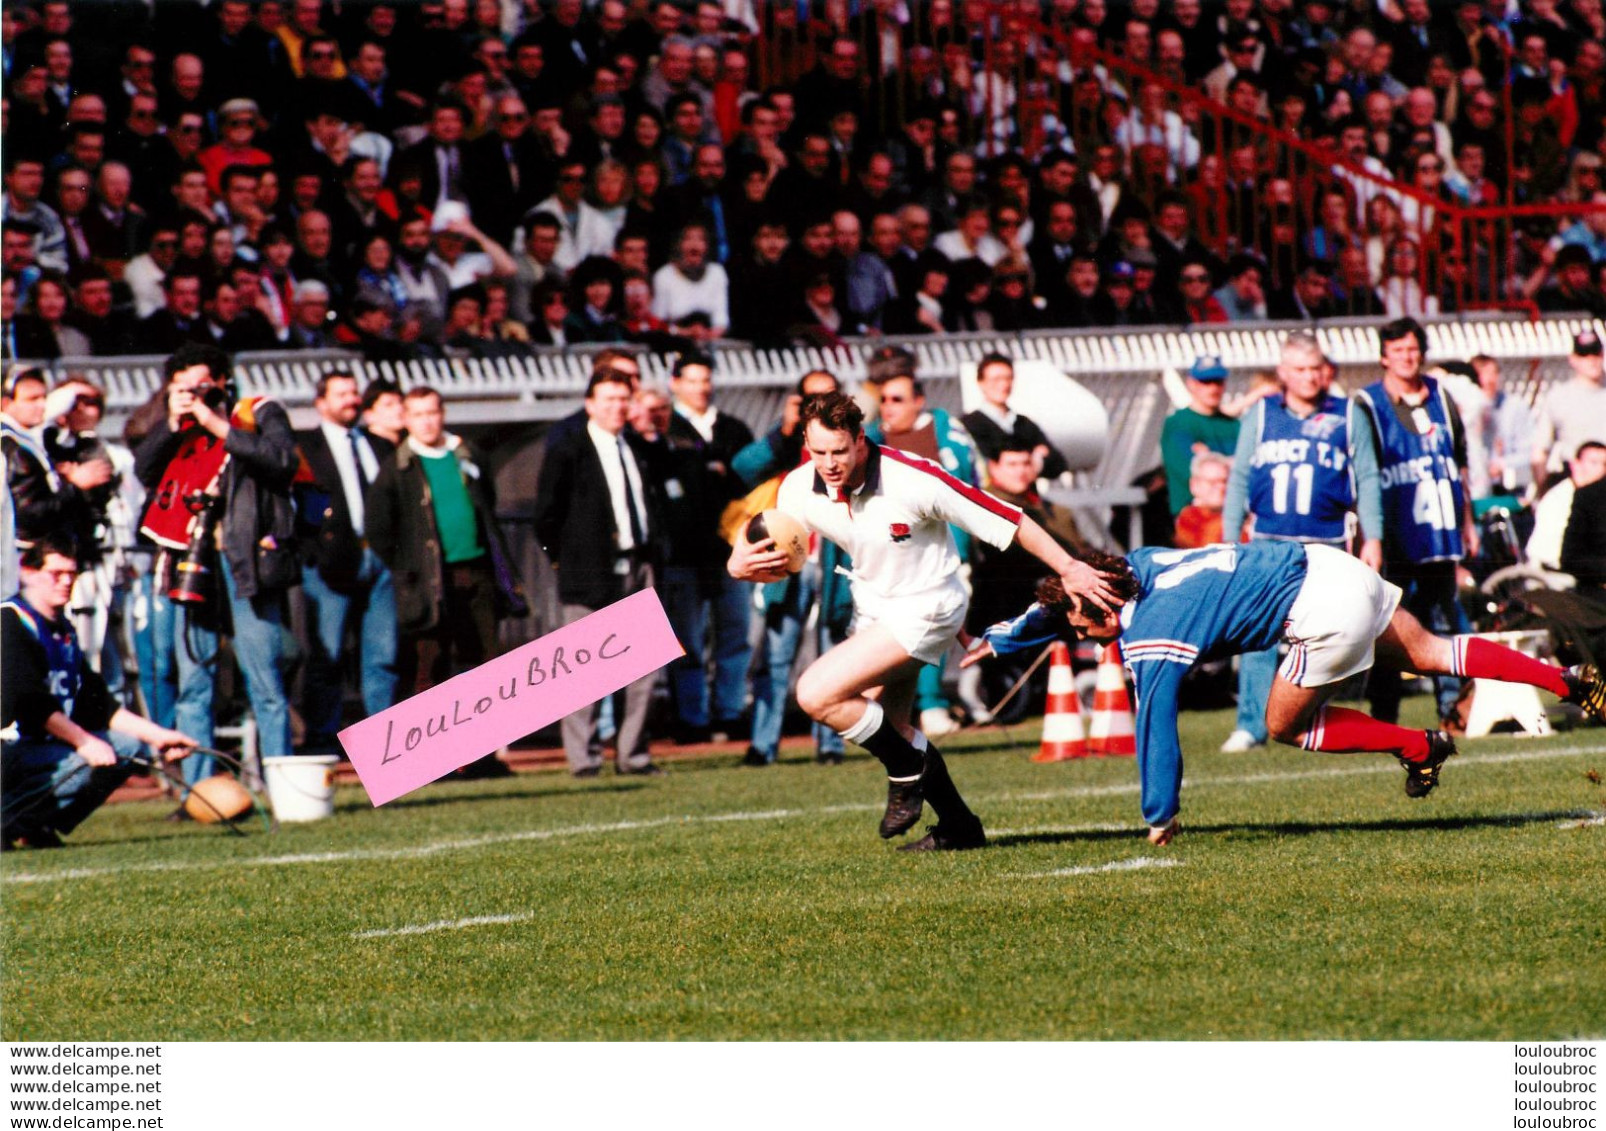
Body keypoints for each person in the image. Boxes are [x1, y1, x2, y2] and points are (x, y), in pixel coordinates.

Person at [964, 542, 1606, 845]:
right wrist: (1007, 638)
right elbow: (1068, 599)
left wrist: (1160, 812)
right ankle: (1570, 682)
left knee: (1285, 724)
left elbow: (1155, 723)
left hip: (1318, 609)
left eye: (1081, 625)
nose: (1082, 636)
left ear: (1102, 603)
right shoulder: (1140, 561)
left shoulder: (1151, 636)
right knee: (1433, 652)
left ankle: (1415, 744)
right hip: (1329, 564)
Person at [727, 392, 1122, 851]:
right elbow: (762, 530)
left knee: (816, 694)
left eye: (839, 451)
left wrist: (1069, 567)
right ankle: (959, 826)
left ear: (860, 440)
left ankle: (908, 770)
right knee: (886, 729)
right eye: (819, 452)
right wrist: (739, 560)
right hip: (876, 606)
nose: (830, 463)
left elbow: (1010, 518)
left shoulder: (913, 478)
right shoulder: (799, 485)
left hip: (931, 607)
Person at [132, 343, 299, 794]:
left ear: (224, 380)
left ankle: (284, 787)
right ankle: (197, 792)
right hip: (193, 559)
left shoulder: (257, 413)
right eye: (184, 387)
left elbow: (283, 461)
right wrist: (171, 421)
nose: (195, 394)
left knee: (263, 677)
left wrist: (217, 426)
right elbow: (144, 470)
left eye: (202, 384)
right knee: (193, 682)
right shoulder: (177, 427)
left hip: (245, 562)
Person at [1219, 332, 1383, 753]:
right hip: (1268, 541)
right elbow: (1239, 479)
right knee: (1256, 632)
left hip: (1325, 541)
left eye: (1315, 369)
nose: (1310, 378)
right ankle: (1251, 725)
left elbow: (1366, 479)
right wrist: (1227, 539)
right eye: (1300, 370)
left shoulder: (1347, 414)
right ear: (1283, 374)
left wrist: (1374, 536)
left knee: (1331, 632)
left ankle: (1314, 715)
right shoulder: (1260, 414)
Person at [366, 386, 526, 781]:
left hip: (477, 573)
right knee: (430, 667)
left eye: (432, 412)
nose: (427, 420)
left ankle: (482, 756)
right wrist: (411, 571)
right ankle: (436, 760)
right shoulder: (398, 468)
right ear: (406, 419)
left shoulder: (467, 456)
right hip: (429, 584)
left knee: (484, 668)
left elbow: (485, 503)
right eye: (417, 413)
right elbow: (380, 529)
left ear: (443, 413)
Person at [3, 532, 198, 849]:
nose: (66, 582)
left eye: (71, 574)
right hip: (8, 749)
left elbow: (98, 704)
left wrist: (159, 737)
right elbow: (29, 702)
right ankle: (8, 823)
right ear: (28, 573)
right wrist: (84, 742)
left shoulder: (61, 630)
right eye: (56, 574)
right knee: (86, 760)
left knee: (126, 747)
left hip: (34, 750)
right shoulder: (10, 621)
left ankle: (37, 826)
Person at [532, 367, 665, 778]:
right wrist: (566, 560)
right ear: (590, 404)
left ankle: (633, 755)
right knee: (583, 670)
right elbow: (546, 517)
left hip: (637, 564)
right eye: (608, 399)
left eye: (623, 399)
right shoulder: (569, 449)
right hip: (588, 571)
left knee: (644, 668)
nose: (617, 407)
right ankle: (584, 759)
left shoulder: (636, 447)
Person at [1352, 318, 1479, 729]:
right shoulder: (1368, 404)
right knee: (1392, 627)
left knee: (1445, 623)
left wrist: (1468, 521)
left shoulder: (1442, 396)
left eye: (1412, 349)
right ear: (1383, 357)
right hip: (1397, 536)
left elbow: (1459, 463)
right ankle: (1385, 713)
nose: (1407, 358)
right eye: (1398, 351)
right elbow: (1366, 473)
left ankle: (1453, 711)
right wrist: (1371, 536)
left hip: (1440, 535)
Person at [729, 369, 853, 765]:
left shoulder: (853, 441)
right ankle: (763, 744)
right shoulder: (787, 440)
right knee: (776, 657)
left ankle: (830, 744)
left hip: (834, 559)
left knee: (833, 656)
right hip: (789, 561)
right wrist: (783, 431)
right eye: (811, 399)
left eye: (828, 398)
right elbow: (744, 468)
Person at [292, 371, 398, 753]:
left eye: (354, 393)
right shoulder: (305, 449)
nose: (350, 400)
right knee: (327, 656)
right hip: (329, 564)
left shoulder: (378, 444)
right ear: (321, 402)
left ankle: (382, 743)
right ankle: (322, 740)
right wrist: (313, 552)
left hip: (380, 561)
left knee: (382, 656)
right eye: (341, 394)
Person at [961, 352, 1069, 480]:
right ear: (981, 382)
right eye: (996, 379)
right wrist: (1033, 456)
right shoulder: (968, 424)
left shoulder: (1024, 423)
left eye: (1008, 378)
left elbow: (1059, 463)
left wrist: (1034, 462)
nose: (1003, 385)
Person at [1159, 355, 1241, 518]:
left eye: (1217, 382)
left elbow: (1250, 467)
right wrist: (1230, 462)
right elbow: (1189, 470)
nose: (1212, 388)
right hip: (1193, 515)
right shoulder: (1178, 423)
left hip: (1233, 513)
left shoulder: (1234, 425)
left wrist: (1209, 456)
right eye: (1205, 382)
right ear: (1191, 384)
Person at [1531, 330, 1606, 493]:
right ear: (1573, 359)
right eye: (1585, 355)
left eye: (1596, 354)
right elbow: (1540, 451)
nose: (1592, 360)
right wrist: (1543, 493)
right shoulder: (1558, 397)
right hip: (1576, 482)